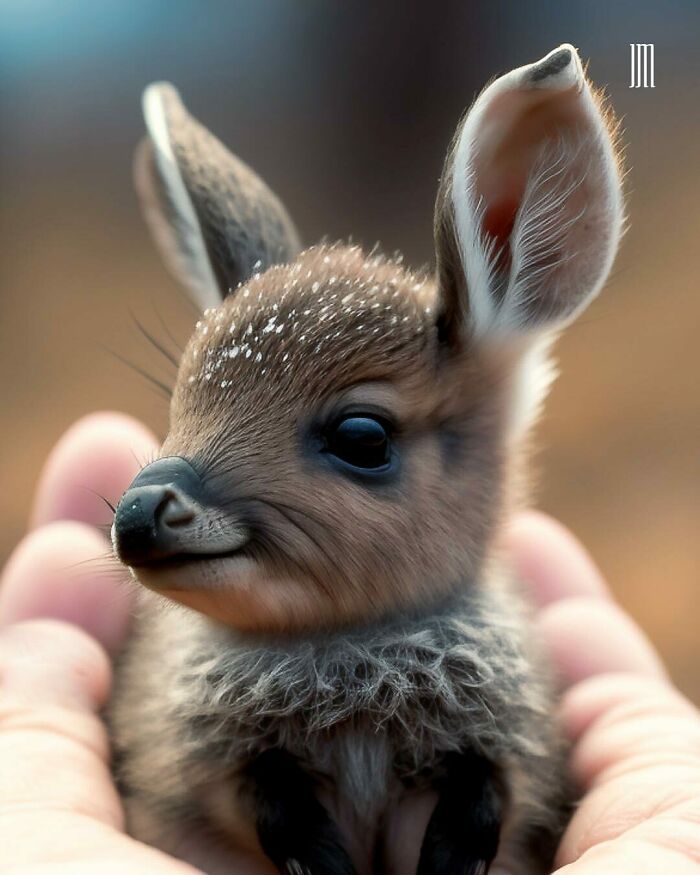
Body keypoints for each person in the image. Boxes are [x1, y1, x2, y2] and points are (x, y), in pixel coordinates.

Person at [0, 412, 698, 874]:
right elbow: (199, 774)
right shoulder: (199, 653)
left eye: (361, 443)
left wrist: (479, 802)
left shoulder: (482, 639)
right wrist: (278, 815)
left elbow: (509, 761)